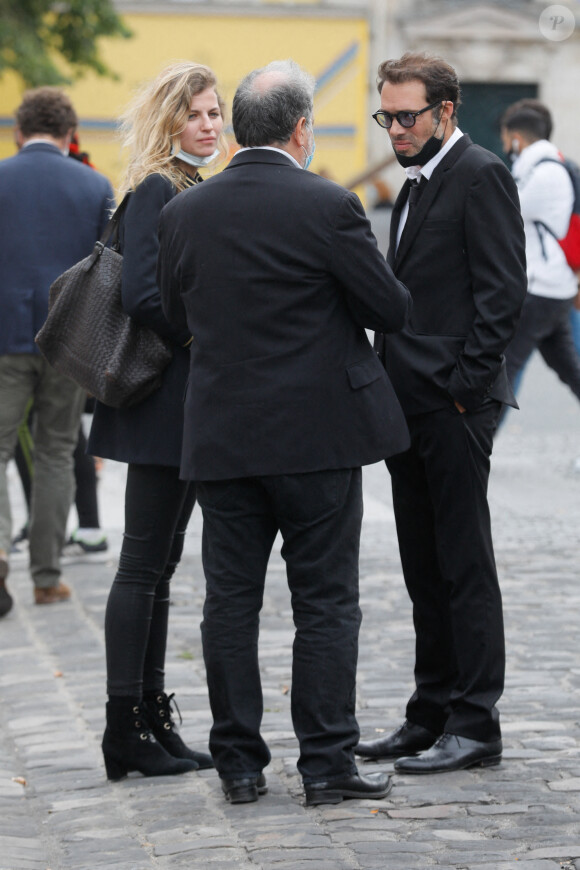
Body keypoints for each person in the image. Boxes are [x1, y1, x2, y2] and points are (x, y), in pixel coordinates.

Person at [158, 58, 412, 807]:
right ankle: (328, 765)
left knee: (228, 602)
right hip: (318, 435)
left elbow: (174, 317)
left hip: (223, 436)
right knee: (327, 601)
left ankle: (238, 765)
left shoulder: (184, 212)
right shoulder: (328, 204)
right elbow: (389, 309)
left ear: (238, 129)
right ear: (302, 129)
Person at [355, 52, 527, 773]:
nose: (395, 129)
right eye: (386, 116)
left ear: (445, 111)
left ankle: (475, 721)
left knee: (463, 564)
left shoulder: (480, 172)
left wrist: (464, 387)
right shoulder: (417, 181)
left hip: (452, 405)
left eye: (407, 116)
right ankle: (431, 710)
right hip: (408, 404)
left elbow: (503, 294)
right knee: (424, 566)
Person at [87, 61, 223, 780]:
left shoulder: (194, 185)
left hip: (183, 405)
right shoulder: (156, 187)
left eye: (216, 113)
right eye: (196, 113)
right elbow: (143, 293)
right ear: (170, 120)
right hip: (157, 404)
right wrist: (204, 336)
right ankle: (122, 730)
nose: (210, 125)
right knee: (143, 564)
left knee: (161, 566)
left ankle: (151, 718)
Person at [0, 87, 114, 616]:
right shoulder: (94, 186)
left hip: (2, 340)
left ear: (19, 132)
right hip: (66, 342)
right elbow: (106, 274)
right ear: (71, 134)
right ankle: (46, 577)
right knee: (54, 455)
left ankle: (0, 553)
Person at [498, 100, 580, 412]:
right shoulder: (540, 169)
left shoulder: (543, 174)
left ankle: (475, 456)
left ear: (516, 138)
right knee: (571, 370)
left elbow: (505, 213)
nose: (505, 146)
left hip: (540, 287)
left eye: (506, 139)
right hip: (551, 287)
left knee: (503, 370)